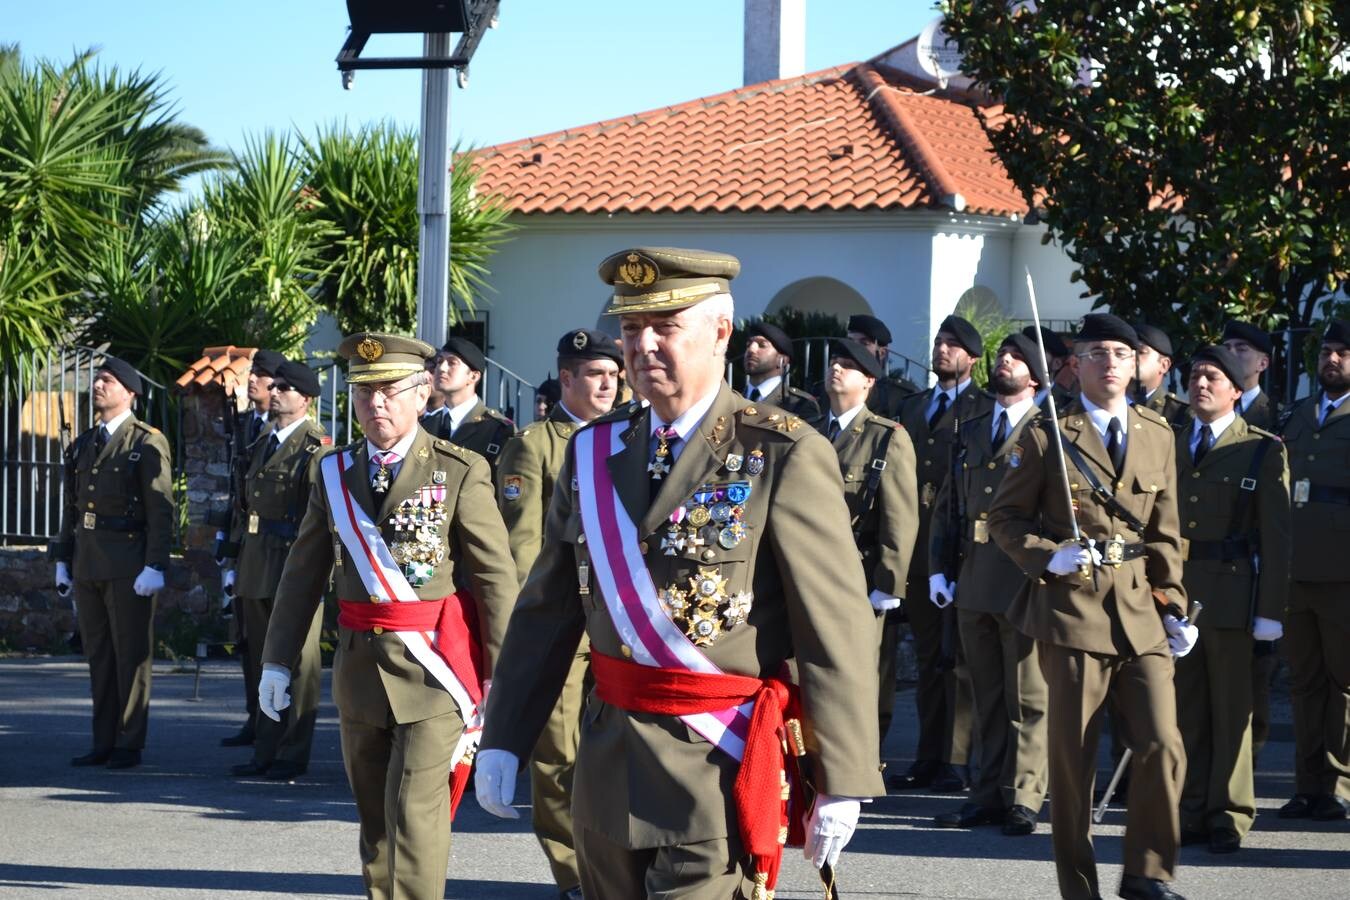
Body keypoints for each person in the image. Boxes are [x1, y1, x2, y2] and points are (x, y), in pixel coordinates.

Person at [475, 247, 883, 900]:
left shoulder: (780, 452)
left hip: (712, 775)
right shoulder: (593, 451)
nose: (644, 346)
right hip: (605, 772)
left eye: (666, 327)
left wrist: (843, 773)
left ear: (722, 331)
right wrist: (506, 735)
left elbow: (831, 625)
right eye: (633, 330)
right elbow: (551, 607)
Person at [258, 333, 518, 899]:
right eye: (364, 391)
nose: (376, 403)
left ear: (422, 395)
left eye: (390, 390)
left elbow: (496, 579)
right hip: (359, 672)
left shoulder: (460, 469)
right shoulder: (333, 471)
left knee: (415, 818)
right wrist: (277, 660)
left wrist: (503, 677)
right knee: (375, 825)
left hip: (433, 673)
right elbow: (303, 574)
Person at [988, 313, 1192, 900]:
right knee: (1074, 765)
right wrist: (1045, 556)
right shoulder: (1047, 432)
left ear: (1136, 365)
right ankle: (1079, 887)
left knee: (1162, 744)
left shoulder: (1157, 433)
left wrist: (1173, 604)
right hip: (1072, 610)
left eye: (1122, 354)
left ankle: (1148, 874)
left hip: (1139, 613)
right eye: (1098, 353)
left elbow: (1166, 534)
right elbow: (1005, 518)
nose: (1110, 363)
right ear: (1076, 364)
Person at [496, 328, 621, 900]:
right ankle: (573, 873)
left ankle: (614, 861)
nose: (608, 384)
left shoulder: (628, 437)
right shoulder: (536, 445)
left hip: (618, 623)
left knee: (618, 747)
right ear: (566, 379)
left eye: (613, 375)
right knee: (559, 754)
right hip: (567, 624)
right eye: (595, 374)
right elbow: (524, 547)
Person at [1172, 344, 1290, 853]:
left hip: (1233, 593)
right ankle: (1191, 807)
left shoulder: (1262, 449)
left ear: (1236, 391)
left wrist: (1270, 612)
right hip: (1175, 593)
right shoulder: (1170, 443)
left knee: (1233, 709)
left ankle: (1230, 813)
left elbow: (1278, 538)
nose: (1201, 384)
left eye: (1213, 377)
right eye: (1196, 375)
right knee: (1187, 709)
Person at [930, 333, 1049, 836]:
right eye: (1002, 356)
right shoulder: (973, 428)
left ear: (1036, 377)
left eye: (1017, 358)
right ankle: (985, 793)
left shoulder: (1050, 432)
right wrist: (939, 567)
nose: (1004, 362)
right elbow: (948, 504)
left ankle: (1023, 795)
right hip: (976, 575)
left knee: (1027, 695)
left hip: (1022, 576)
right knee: (985, 693)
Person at [51, 357, 173, 770]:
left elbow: (160, 509)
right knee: (99, 656)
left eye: (108, 380)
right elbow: (70, 507)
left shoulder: (145, 441)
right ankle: (102, 740)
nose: (99, 385)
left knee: (130, 655)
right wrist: (62, 558)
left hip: (128, 564)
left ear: (130, 392)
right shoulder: (85, 442)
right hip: (88, 563)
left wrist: (155, 565)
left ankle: (128, 740)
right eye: (99, 379)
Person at [888, 315, 992, 793]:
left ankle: (958, 758)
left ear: (973, 358)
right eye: (938, 342)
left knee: (962, 660)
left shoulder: (983, 407)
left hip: (961, 546)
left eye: (954, 345)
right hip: (919, 547)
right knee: (930, 656)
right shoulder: (912, 406)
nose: (942, 350)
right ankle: (929, 754)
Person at [221, 360, 331, 781]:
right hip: (255, 559)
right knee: (262, 661)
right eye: (277, 384)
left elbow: (317, 520)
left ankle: (292, 751)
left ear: (305, 398)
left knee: (299, 664)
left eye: (286, 387)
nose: (277, 391)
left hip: (292, 563)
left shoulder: (315, 446)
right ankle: (265, 748)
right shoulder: (263, 440)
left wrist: (316, 574)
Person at [818, 337, 918, 753]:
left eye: (847, 365)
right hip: (814, 572)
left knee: (864, 675)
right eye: (833, 362)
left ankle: (864, 759)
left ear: (869, 382)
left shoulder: (885, 437)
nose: (836, 369)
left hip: (860, 576)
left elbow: (901, 516)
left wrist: (889, 584)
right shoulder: (810, 431)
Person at [1277, 319, 1350, 822]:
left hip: (1344, 570)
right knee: (1304, 682)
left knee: (1344, 682)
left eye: (1343, 353)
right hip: (1296, 566)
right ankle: (1307, 786)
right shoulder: (1299, 414)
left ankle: (1339, 786)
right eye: (1327, 351)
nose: (1333, 360)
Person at [217, 348, 286, 748]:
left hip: (273, 553)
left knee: (271, 647)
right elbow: (236, 496)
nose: (254, 380)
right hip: (246, 547)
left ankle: (273, 725)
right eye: (254, 373)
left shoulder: (279, 430)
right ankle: (254, 717)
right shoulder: (244, 426)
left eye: (262, 374)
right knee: (247, 642)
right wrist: (228, 553)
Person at [1219, 319, 1280, 757]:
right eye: (1227, 346)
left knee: (1255, 674)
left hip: (1254, 562)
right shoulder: (1192, 421)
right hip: (1208, 565)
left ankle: (1247, 765)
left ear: (1262, 362)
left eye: (1243, 348)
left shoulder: (1279, 420)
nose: (1233, 354)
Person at [422, 336, 516, 475]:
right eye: (439, 361)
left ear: (473, 376)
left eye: (452, 363)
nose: (441, 368)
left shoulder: (497, 429)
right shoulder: (425, 425)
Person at [741, 319, 820, 420]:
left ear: (782, 360)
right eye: (748, 345)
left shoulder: (800, 404)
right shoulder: (732, 401)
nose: (751, 350)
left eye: (762, 345)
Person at [845, 313, 907, 417]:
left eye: (864, 343)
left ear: (882, 353)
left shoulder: (899, 395)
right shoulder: (827, 389)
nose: (854, 348)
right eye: (850, 342)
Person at [1132, 324, 1190, 425]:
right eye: (1126, 352)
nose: (1132, 356)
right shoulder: (1103, 403)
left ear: (1164, 365)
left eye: (1141, 352)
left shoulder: (1180, 413)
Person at [1025, 325, 1077, 413]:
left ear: (1057, 364)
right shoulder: (1000, 397)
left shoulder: (1068, 406)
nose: (1026, 356)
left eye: (1035, 351)